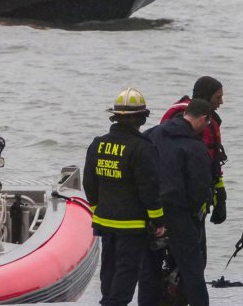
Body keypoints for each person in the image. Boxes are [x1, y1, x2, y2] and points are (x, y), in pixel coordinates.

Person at [84, 87, 166, 306]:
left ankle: (107, 301)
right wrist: (158, 221)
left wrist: (97, 209)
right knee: (127, 272)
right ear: (142, 118)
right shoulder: (142, 148)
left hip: (105, 221)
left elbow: (89, 183)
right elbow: (149, 189)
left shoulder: (98, 144)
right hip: (132, 225)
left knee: (109, 268)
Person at [138, 99, 213, 306]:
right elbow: (200, 188)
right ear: (203, 119)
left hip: (150, 212)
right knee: (193, 271)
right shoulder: (195, 146)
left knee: (149, 271)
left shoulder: (152, 134)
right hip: (179, 213)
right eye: (207, 123)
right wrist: (191, 213)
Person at [161, 76, 228, 228]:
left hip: (194, 197)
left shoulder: (207, 121)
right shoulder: (192, 122)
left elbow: (212, 162)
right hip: (182, 200)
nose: (221, 102)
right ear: (207, 96)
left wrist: (220, 195)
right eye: (218, 97)